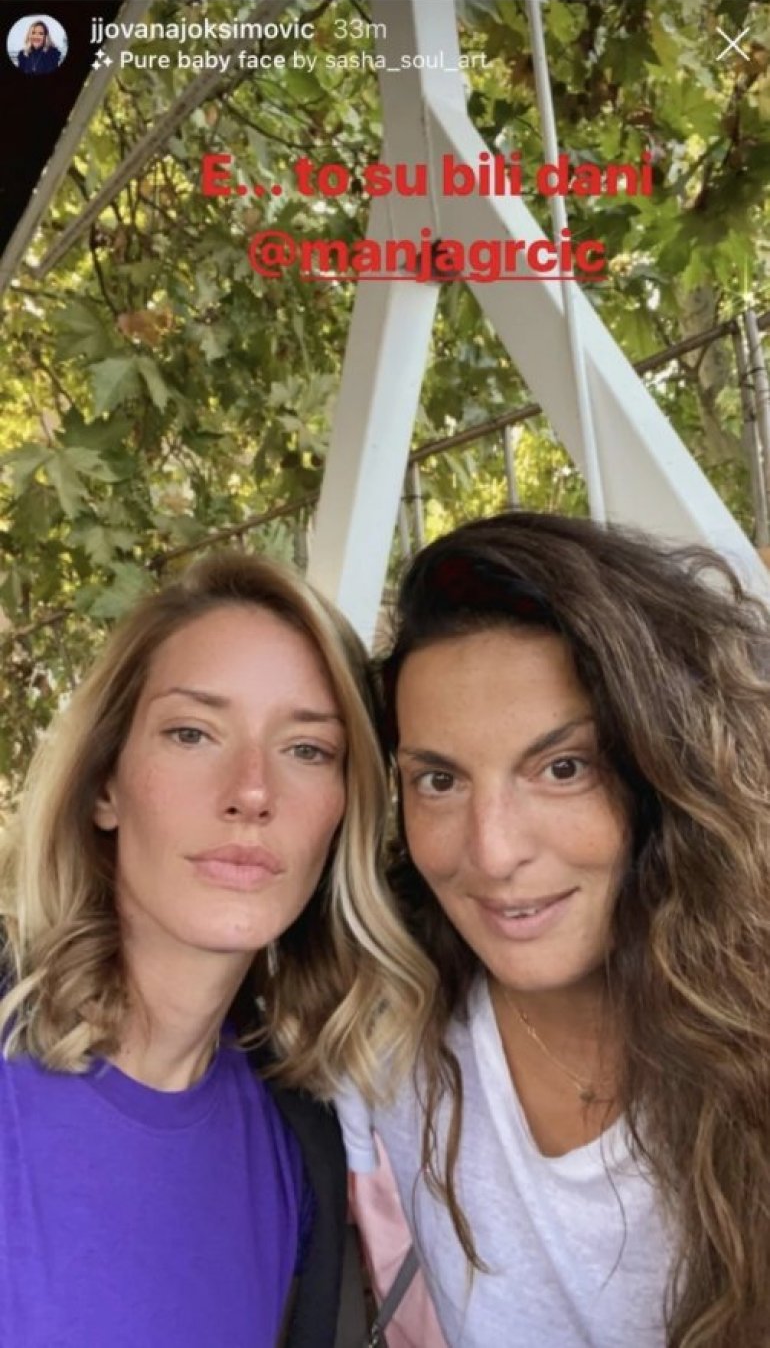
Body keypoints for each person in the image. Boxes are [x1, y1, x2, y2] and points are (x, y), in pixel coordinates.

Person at [339, 510, 770, 1348]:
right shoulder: (386, 1033)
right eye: (438, 780)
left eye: (562, 767)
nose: (493, 852)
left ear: (664, 770)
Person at [0, 551, 428, 1348]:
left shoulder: (299, 1145)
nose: (252, 791)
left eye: (307, 748)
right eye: (192, 733)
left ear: (345, 810)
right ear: (105, 783)